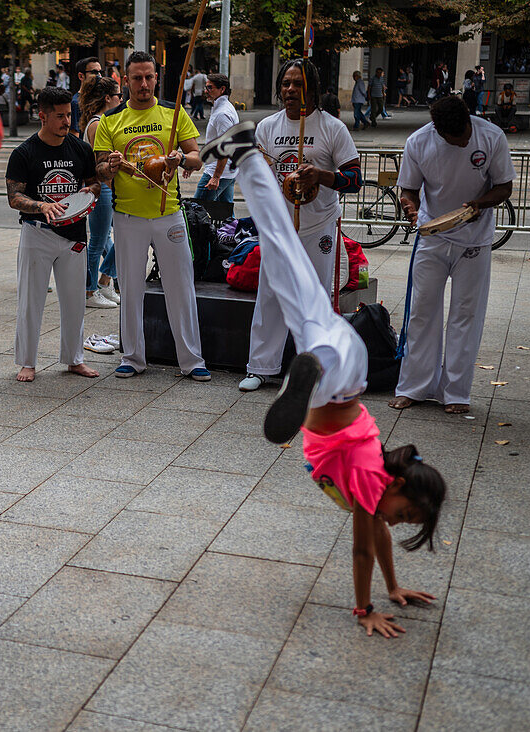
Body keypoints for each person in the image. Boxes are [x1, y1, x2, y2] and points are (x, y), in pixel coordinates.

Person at [202, 121, 446, 638]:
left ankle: (245, 152)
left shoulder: (380, 483)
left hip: (331, 345)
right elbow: (363, 547)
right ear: (397, 486)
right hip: (338, 371)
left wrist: (395, 588)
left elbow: (378, 536)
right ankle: (306, 376)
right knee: (323, 354)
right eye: (405, 515)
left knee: (279, 245)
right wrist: (367, 610)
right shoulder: (369, 484)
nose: (395, 522)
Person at [240, 59, 361, 392]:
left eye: (298, 84)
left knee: (318, 297)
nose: (290, 90)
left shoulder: (332, 128)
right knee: (270, 294)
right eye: (286, 84)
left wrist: (320, 175)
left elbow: (354, 180)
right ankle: (261, 366)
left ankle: (315, 371)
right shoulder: (267, 127)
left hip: (319, 224)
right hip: (280, 228)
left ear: (312, 89)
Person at [389, 96, 515, 415]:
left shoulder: (491, 137)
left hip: (475, 237)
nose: (462, 142)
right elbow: (408, 189)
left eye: (465, 135)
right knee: (421, 310)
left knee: (465, 314)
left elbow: (504, 186)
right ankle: (413, 387)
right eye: (454, 139)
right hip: (432, 234)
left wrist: (479, 205)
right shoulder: (418, 142)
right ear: (439, 131)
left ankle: (455, 391)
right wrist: (410, 207)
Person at [93, 50, 211, 382]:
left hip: (169, 213)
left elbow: (196, 158)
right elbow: (100, 169)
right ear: (125, 80)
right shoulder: (111, 120)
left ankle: (192, 360)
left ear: (156, 78)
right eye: (136, 78)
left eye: (149, 77)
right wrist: (111, 166)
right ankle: (133, 357)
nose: (143, 84)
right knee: (130, 288)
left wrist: (179, 159)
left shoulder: (173, 114)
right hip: (128, 216)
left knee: (181, 287)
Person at [5, 87, 102, 383]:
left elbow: (94, 183)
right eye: (59, 116)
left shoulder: (80, 148)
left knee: (74, 301)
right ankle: (27, 362)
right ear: (42, 116)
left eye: (69, 114)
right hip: (38, 233)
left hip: (74, 234)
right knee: (30, 300)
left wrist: (90, 192)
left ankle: (74, 359)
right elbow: (14, 197)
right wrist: (40, 205)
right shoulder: (24, 152)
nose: (66, 121)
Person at [80, 75, 121, 308]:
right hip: (102, 187)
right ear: (108, 98)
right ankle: (91, 290)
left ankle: (106, 282)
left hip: (105, 188)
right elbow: (99, 161)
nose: (121, 100)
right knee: (98, 241)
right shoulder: (97, 124)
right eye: (118, 96)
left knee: (112, 239)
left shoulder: (102, 121)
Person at [194, 73, 239, 203]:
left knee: (197, 210)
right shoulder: (221, 108)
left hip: (219, 172)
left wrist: (215, 177)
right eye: (206, 87)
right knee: (225, 215)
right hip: (226, 171)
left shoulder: (222, 113)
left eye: (210, 88)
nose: (205, 91)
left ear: (222, 89)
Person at [69, 56, 101, 136]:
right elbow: (75, 136)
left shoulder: (101, 99)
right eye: (94, 72)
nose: (99, 76)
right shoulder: (76, 103)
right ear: (81, 76)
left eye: (100, 72)